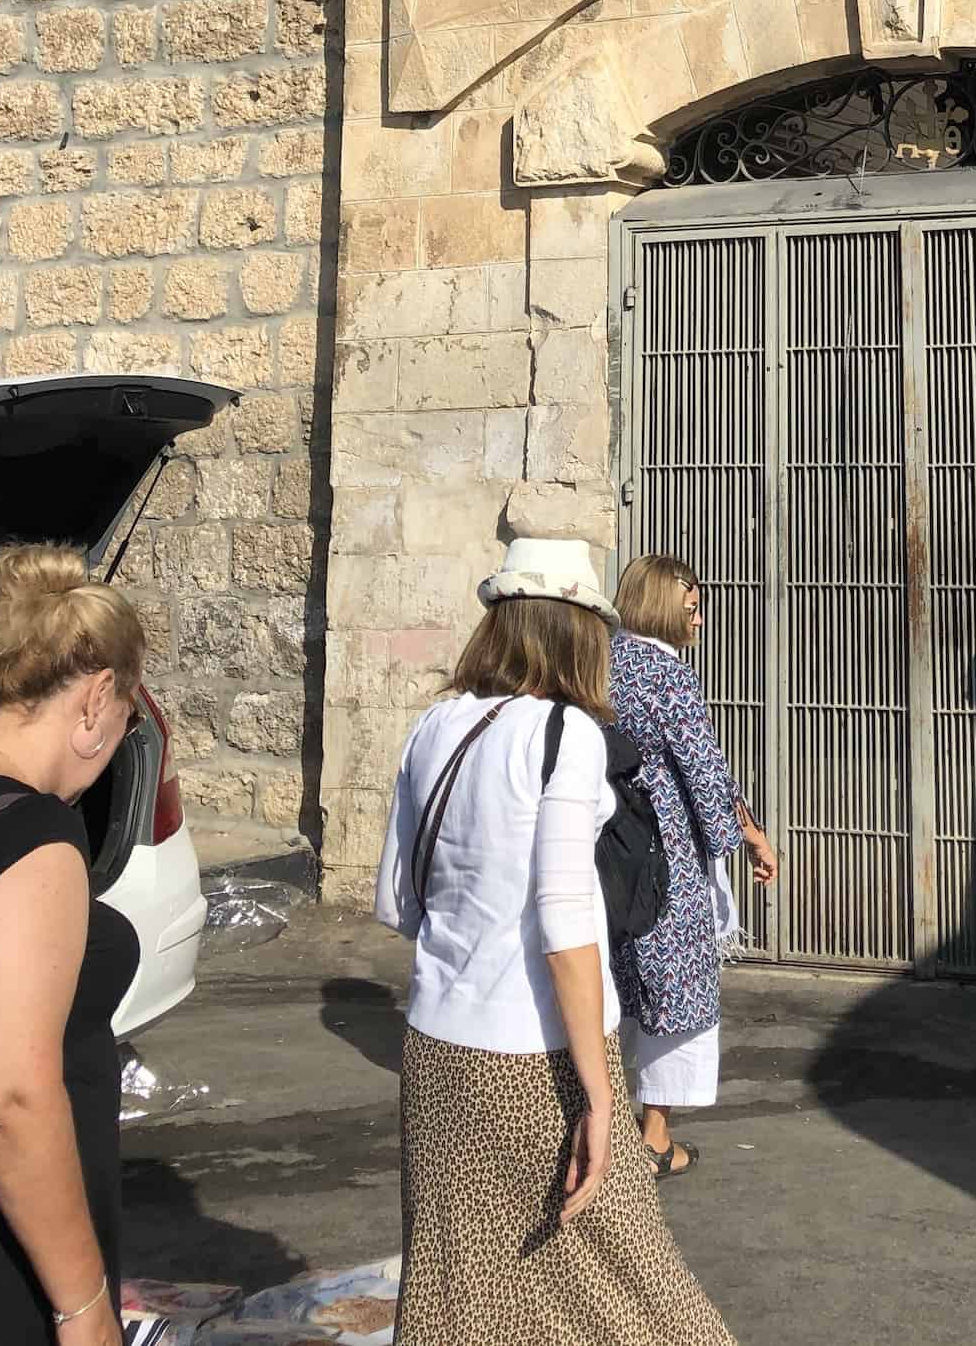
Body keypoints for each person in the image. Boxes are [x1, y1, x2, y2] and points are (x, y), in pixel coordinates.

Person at [375, 537, 734, 1346]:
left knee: (460, 1289)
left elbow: (398, 901)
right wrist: (603, 1099)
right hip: (540, 1056)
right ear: (579, 631)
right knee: (632, 1286)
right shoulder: (564, 736)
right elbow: (567, 931)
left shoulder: (435, 724)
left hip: (435, 1049)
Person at [0, 543, 145, 1346]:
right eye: (128, 716)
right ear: (97, 698)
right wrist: (84, 1307)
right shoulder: (35, 836)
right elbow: (7, 1098)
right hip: (4, 1258)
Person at [609, 557, 777, 1180]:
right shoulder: (666, 674)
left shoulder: (604, 661)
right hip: (666, 853)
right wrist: (748, 838)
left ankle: (600, 1121)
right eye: (692, 606)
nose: (701, 617)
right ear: (661, 606)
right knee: (677, 989)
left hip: (608, 849)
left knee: (621, 981)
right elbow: (703, 774)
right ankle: (653, 1137)